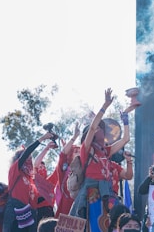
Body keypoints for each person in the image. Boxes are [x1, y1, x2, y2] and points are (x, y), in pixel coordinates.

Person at [69, 88, 131, 219]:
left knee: (116, 219)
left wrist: (125, 120)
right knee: (88, 222)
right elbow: (92, 127)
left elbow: (126, 139)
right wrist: (105, 105)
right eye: (99, 128)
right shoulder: (86, 150)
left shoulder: (106, 151)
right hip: (90, 192)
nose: (102, 130)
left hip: (106, 191)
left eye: (102, 128)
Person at [2, 131, 56, 232]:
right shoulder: (15, 171)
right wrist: (42, 139)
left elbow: (35, 199)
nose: (29, 160)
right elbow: (27, 152)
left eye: (30, 158)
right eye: (26, 158)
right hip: (14, 210)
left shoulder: (29, 177)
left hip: (27, 212)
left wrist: (49, 196)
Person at [53, 123, 80, 217]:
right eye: (76, 151)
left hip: (81, 211)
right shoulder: (64, 169)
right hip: (65, 215)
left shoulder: (85, 169)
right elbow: (62, 154)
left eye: (80, 151)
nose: (79, 153)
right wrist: (75, 136)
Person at [33, 140, 58, 221]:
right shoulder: (34, 180)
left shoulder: (50, 180)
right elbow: (35, 165)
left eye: (44, 167)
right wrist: (46, 148)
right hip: (36, 212)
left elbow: (59, 167)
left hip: (49, 212)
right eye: (40, 167)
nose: (42, 169)